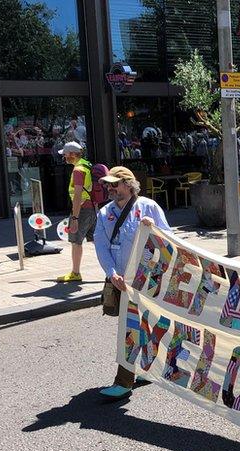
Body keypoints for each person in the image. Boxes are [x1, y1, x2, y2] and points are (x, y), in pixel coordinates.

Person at [94, 166, 170, 400]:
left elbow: (169, 241)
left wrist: (154, 229)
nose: (109, 188)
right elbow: (101, 245)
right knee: (131, 327)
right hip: (122, 280)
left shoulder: (149, 207)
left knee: (143, 324)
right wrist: (111, 273)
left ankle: (127, 379)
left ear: (128, 184)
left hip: (147, 279)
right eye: (107, 184)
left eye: (114, 184)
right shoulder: (105, 212)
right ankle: (130, 376)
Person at [57, 142, 97, 283]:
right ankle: (117, 269)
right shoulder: (86, 165)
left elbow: (78, 194)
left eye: (66, 154)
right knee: (97, 240)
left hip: (81, 209)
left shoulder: (78, 170)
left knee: (76, 242)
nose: (64, 156)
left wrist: (74, 217)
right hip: (91, 208)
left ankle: (75, 273)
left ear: (73, 155)